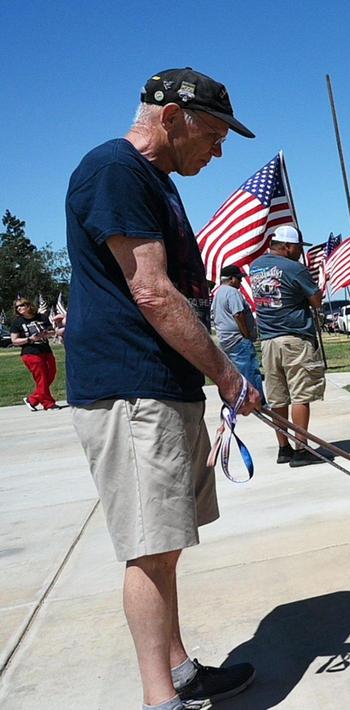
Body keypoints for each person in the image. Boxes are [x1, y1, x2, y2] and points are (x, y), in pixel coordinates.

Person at [65, 67, 262, 710]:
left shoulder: (155, 180)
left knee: (167, 543)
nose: (219, 149)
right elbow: (149, 290)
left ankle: (178, 671)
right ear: (171, 118)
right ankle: (161, 700)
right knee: (150, 549)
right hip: (132, 388)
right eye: (213, 134)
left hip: (163, 386)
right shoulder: (116, 171)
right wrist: (230, 375)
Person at [249, 225, 325, 467]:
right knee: (300, 394)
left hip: (269, 340)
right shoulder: (295, 268)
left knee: (278, 397)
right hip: (295, 338)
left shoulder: (256, 267)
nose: (300, 253)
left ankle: (284, 449)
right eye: (297, 248)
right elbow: (316, 302)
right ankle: (302, 449)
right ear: (287, 246)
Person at [211, 264, 265, 399]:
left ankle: (236, 399)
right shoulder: (232, 292)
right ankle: (257, 401)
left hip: (225, 340)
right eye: (239, 279)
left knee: (233, 373)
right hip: (238, 339)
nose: (241, 282)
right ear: (231, 279)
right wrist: (246, 334)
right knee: (251, 371)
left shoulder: (218, 293)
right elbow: (238, 315)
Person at [11, 298, 62, 410]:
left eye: (22, 305)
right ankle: (48, 404)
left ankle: (33, 399)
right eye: (17, 307)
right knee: (42, 378)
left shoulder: (41, 317)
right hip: (30, 353)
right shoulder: (18, 322)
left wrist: (45, 334)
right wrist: (30, 339)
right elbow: (14, 340)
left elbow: (53, 331)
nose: (19, 308)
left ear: (29, 305)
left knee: (51, 374)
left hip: (46, 350)